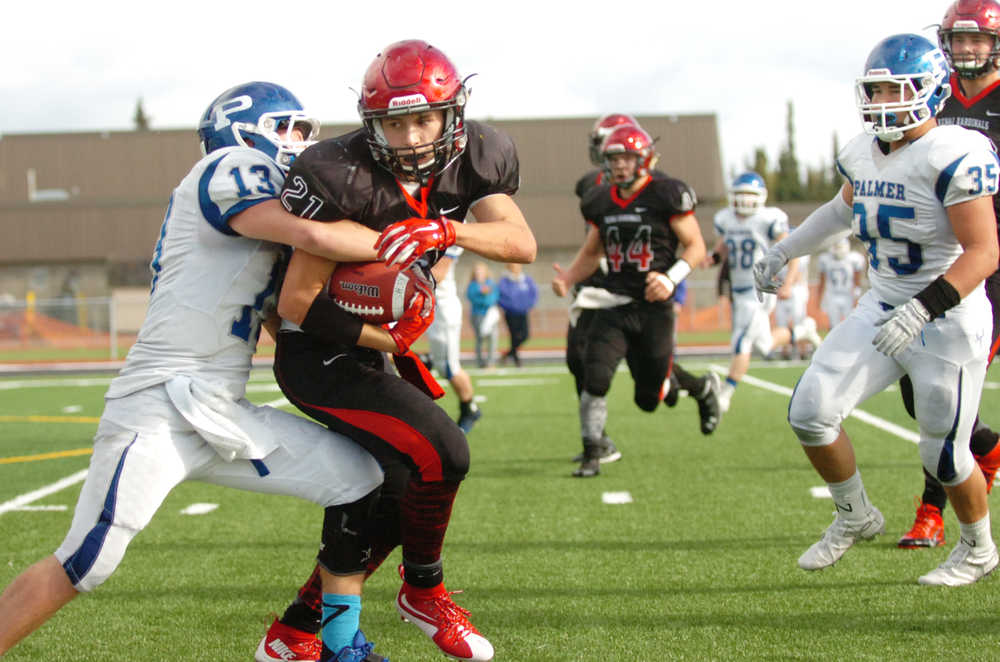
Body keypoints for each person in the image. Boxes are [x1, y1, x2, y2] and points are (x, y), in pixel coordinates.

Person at [0, 82, 395, 661]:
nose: (299, 143)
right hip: (158, 406)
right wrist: (403, 242)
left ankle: (325, 644)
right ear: (241, 127)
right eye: (287, 128)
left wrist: (385, 337)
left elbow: (280, 318)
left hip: (219, 412)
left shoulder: (263, 219)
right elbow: (314, 234)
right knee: (87, 560)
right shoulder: (228, 165)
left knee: (361, 478)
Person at [259, 39, 536, 662]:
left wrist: (449, 228)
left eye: (423, 118)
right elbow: (297, 303)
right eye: (394, 121)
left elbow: (520, 243)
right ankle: (422, 588)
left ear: (450, 114)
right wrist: (386, 336)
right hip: (317, 353)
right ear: (371, 122)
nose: (411, 136)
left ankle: (300, 633)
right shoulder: (340, 174)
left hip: (371, 352)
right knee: (446, 452)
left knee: (393, 484)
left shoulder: (476, 156)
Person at [754, 33, 999, 585]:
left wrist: (926, 307)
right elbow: (841, 212)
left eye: (897, 89)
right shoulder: (863, 150)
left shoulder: (955, 152)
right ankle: (855, 515)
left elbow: (985, 252)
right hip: (883, 302)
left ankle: (979, 549)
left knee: (945, 453)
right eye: (877, 90)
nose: (884, 101)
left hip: (948, 315)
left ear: (931, 91)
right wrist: (786, 247)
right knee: (810, 412)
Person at [551, 124, 717, 478]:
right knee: (594, 375)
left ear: (644, 159)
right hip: (612, 302)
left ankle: (703, 388)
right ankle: (592, 452)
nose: (620, 165)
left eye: (626, 157)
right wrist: (567, 277)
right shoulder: (601, 200)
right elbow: (592, 252)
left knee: (648, 398)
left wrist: (670, 278)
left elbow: (696, 246)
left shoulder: (666, 194)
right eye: (614, 158)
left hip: (654, 307)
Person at [895, 0, 1000, 550]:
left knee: (944, 392)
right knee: (918, 393)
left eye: (976, 40)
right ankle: (991, 450)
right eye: (956, 40)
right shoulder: (930, 93)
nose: (964, 50)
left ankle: (931, 513)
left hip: (989, 259)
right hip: (932, 257)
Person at [708, 172, 824, 412]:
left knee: (741, 341)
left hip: (759, 289)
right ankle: (803, 330)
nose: (743, 200)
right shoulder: (726, 219)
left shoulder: (769, 218)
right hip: (739, 291)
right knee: (764, 345)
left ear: (760, 197)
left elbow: (790, 250)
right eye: (739, 195)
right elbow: (723, 248)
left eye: (748, 195)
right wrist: (712, 258)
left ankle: (725, 395)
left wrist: (789, 283)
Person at [427, 246, 483, 433]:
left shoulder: (448, 222)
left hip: (441, 309)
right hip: (424, 303)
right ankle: (423, 362)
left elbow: (438, 273)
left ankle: (469, 408)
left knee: (448, 367)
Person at [816, 237, 865, 329]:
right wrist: (820, 299)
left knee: (850, 323)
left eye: (840, 247)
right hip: (832, 295)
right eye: (836, 247)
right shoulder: (825, 259)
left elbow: (857, 279)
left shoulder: (853, 259)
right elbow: (822, 281)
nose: (838, 250)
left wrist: (857, 296)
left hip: (848, 295)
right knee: (833, 324)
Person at [497, 262, 538, 366]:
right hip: (510, 313)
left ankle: (508, 354)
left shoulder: (526, 280)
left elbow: (533, 293)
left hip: (523, 312)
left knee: (525, 335)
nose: (516, 268)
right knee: (514, 336)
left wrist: (527, 305)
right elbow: (500, 297)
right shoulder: (504, 281)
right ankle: (516, 360)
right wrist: (510, 306)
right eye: (513, 266)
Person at [466, 261, 500, 368]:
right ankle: (480, 362)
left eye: (481, 271)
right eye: (477, 271)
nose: (479, 273)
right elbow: (472, 298)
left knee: (493, 338)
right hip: (478, 315)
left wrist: (486, 298)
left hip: (490, 315)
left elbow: (495, 297)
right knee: (480, 339)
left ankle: (491, 362)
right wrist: (482, 295)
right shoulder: (472, 286)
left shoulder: (491, 284)